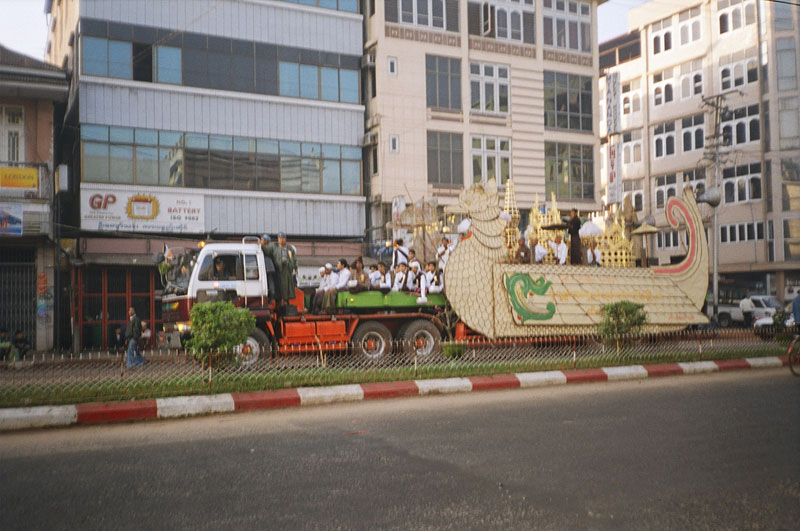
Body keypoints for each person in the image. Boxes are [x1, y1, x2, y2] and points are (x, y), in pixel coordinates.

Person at [267, 232, 298, 309]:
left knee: (287, 287)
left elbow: (293, 259)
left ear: (285, 239)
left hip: (287, 271)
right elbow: (267, 251)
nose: (281, 240)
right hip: (277, 271)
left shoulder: (290, 249)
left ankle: (286, 301)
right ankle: (279, 301)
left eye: (283, 238)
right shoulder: (274, 247)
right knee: (279, 287)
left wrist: (294, 267)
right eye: (280, 238)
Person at [259, 234, 279, 302]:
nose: (260, 241)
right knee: (269, 280)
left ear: (265, 241)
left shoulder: (268, 247)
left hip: (268, 266)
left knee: (269, 280)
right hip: (268, 266)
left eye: (262, 239)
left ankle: (271, 295)